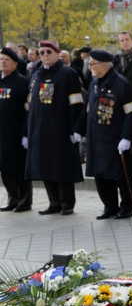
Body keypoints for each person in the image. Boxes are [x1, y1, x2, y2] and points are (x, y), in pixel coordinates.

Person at [25, 41, 85, 215]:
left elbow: (76, 104)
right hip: (40, 130)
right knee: (45, 166)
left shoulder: (67, 73)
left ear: (57, 53)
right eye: (41, 52)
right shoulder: (37, 74)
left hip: (60, 129)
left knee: (61, 167)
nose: (44, 55)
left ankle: (67, 203)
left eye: (48, 52)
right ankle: (54, 202)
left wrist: (76, 129)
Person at [83, 50, 132, 220]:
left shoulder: (121, 84)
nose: (89, 66)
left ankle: (126, 207)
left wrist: (127, 137)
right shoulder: (94, 82)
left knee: (121, 175)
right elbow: (88, 109)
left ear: (102, 65)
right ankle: (109, 206)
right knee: (101, 174)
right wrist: (80, 130)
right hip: (97, 137)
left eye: (92, 63)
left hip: (115, 138)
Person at [0, 47, 32, 212]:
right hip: (2, 133)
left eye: (7, 60)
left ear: (14, 63)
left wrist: (25, 133)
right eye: (1, 59)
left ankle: (24, 200)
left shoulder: (22, 82)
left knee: (19, 167)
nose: (3, 62)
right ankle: (12, 198)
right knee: (4, 167)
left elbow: (28, 111)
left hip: (16, 133)